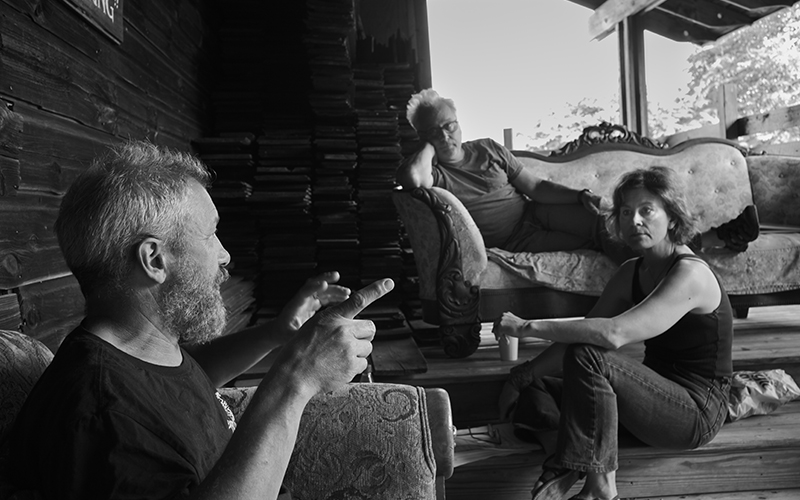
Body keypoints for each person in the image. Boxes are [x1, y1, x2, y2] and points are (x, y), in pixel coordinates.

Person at [7, 141, 394, 500]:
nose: (225, 255)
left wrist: (279, 334)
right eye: (210, 235)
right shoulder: (104, 420)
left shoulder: (135, 351)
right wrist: (294, 381)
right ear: (155, 259)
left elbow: (180, 385)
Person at [493, 166, 733, 500]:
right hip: (649, 402)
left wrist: (525, 328)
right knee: (537, 385)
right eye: (625, 212)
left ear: (672, 217)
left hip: (694, 412)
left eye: (646, 210)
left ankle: (601, 488)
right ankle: (566, 460)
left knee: (589, 355)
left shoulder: (691, 274)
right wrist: (520, 376)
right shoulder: (631, 272)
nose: (634, 220)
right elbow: (586, 331)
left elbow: (612, 334)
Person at [395, 89, 760, 262]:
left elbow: (535, 187)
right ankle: (713, 241)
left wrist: (578, 195)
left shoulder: (487, 148)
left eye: (450, 126)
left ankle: (711, 238)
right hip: (513, 240)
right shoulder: (433, 173)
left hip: (533, 211)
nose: (446, 135)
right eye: (435, 132)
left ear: (461, 123)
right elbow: (412, 179)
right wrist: (430, 144)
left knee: (606, 224)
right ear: (422, 137)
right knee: (608, 244)